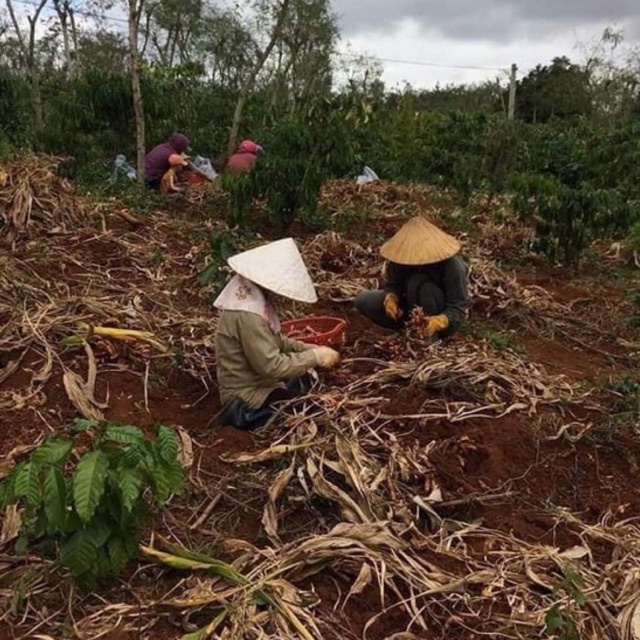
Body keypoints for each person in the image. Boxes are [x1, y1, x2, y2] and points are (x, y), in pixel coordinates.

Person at [214, 238, 341, 430]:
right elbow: (271, 366)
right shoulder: (248, 315)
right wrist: (315, 356)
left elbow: (277, 340)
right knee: (312, 411)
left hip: (264, 385)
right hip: (245, 398)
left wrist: (311, 349)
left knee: (306, 378)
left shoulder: (252, 300)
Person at [355, 217, 470, 339]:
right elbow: (393, 284)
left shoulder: (452, 267)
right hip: (409, 305)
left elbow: (458, 309)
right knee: (364, 300)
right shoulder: (401, 257)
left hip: (436, 310)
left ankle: (428, 335)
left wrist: (438, 322)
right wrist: (391, 298)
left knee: (420, 284)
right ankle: (407, 327)